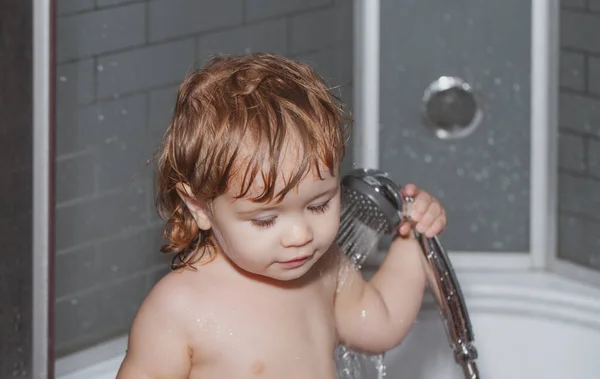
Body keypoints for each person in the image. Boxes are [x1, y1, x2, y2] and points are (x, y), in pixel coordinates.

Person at [116, 53, 447, 379]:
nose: (300, 235)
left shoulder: (324, 269)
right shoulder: (179, 307)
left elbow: (380, 324)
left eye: (318, 205)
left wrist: (411, 241)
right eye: (265, 220)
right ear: (200, 207)